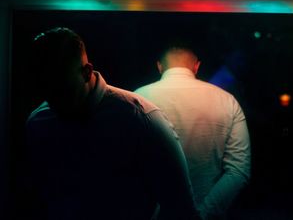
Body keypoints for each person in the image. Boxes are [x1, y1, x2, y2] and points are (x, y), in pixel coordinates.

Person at [24, 27, 199, 220]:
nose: (54, 100)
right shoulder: (39, 123)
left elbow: (181, 208)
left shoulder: (141, 118)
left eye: (62, 89)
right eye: (45, 88)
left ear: (87, 72)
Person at [135, 42, 251, 219]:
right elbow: (238, 171)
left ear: (159, 66)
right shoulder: (227, 100)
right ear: (197, 66)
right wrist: (203, 213)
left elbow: (125, 162)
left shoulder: (137, 99)